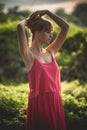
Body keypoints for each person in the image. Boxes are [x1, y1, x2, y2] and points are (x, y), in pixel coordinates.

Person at [17, 10, 69, 130]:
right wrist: (28, 21)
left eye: (51, 32)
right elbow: (20, 26)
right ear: (37, 32)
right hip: (40, 104)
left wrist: (47, 12)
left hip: (56, 101)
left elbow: (65, 27)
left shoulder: (51, 51)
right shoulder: (28, 55)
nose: (51, 36)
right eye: (47, 32)